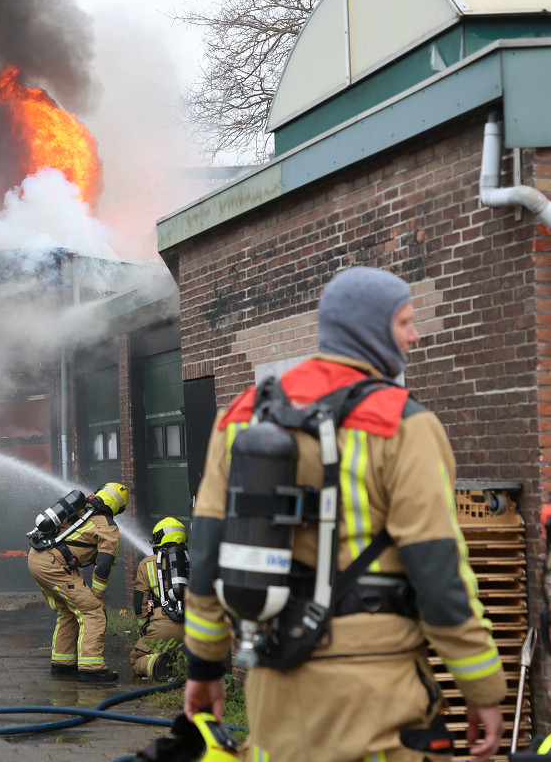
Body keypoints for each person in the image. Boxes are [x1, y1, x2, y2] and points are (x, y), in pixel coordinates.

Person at [182, 267, 506, 762]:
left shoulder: (242, 415)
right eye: (405, 323)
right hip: (377, 692)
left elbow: (205, 553)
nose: (415, 336)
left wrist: (203, 666)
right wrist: (482, 685)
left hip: (275, 680)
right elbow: (439, 572)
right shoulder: (403, 423)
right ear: (368, 328)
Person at [28, 482, 128, 683]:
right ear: (118, 507)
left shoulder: (80, 510)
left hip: (36, 558)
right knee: (92, 611)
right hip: (54, 565)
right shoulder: (107, 526)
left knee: (68, 609)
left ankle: (63, 663)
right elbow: (105, 562)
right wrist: (97, 594)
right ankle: (92, 668)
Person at [130, 517, 188, 680]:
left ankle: (156, 663)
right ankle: (185, 663)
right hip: (193, 630)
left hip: (161, 628)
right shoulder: (196, 561)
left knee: (136, 660)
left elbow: (139, 602)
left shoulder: (147, 564)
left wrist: (143, 628)